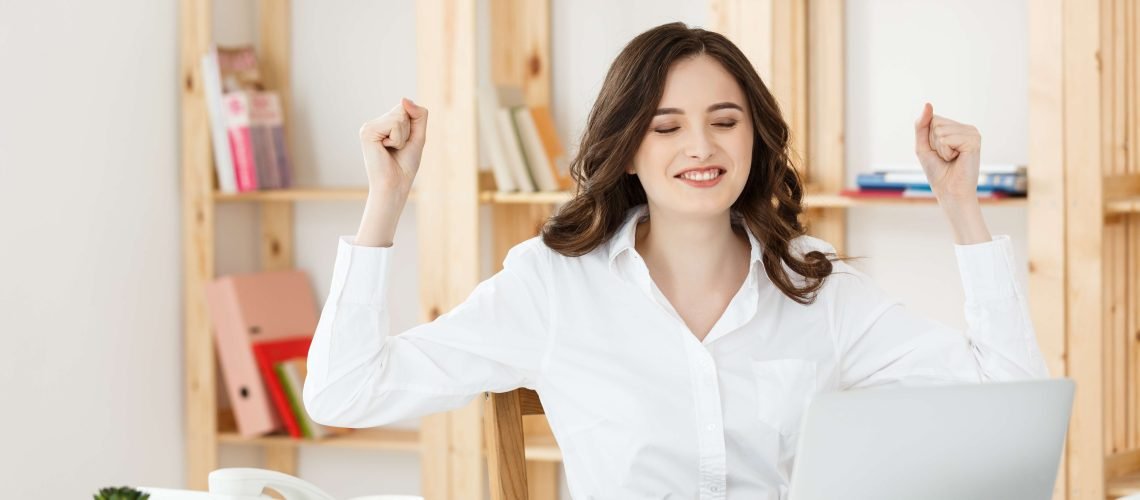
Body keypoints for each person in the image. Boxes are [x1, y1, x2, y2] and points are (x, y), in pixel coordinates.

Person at [303, 21, 1049, 500]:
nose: (701, 148)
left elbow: (1010, 397)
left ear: (754, 138)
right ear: (628, 149)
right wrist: (387, 200)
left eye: (725, 121)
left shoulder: (815, 285)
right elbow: (343, 394)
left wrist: (962, 206)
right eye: (666, 128)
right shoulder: (554, 287)